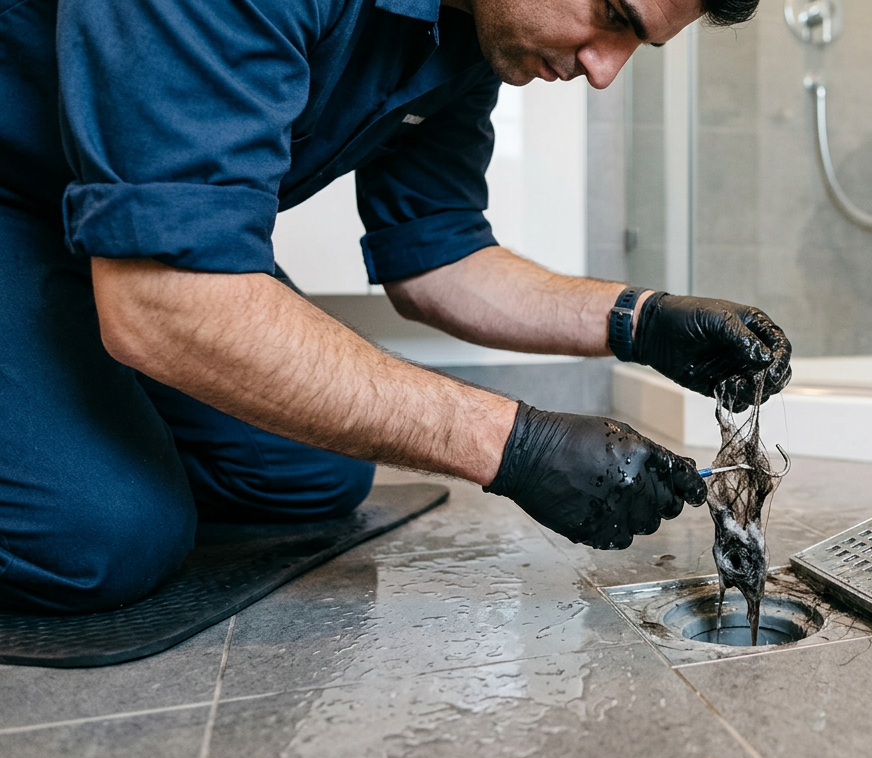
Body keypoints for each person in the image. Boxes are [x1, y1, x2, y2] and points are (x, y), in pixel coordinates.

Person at [0, 0, 790, 614]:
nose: (605, 68)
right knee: (101, 538)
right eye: (613, 15)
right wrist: (513, 447)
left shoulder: (469, 34)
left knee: (309, 474)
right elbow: (167, 300)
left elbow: (438, 255)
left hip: (103, 223)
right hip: (27, 204)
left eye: (636, 44)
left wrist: (640, 319)